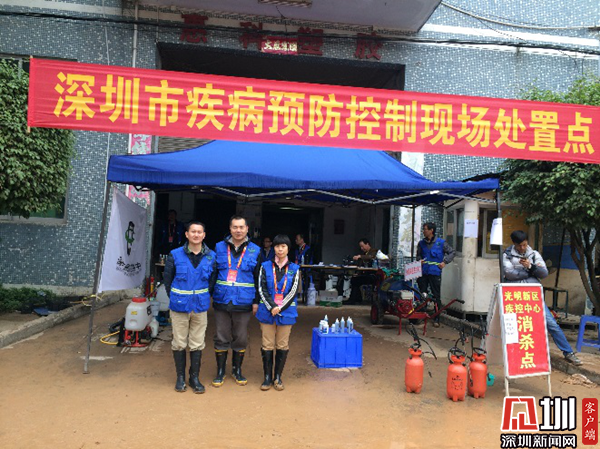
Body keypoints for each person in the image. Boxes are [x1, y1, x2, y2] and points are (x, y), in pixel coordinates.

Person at [502, 230, 583, 366]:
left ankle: (568, 352)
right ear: (514, 244)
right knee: (514, 326)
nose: (522, 247)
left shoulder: (534, 254)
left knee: (551, 323)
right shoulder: (507, 255)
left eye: (524, 244)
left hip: (533, 296)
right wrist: (531, 272)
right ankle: (514, 356)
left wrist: (530, 266)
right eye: (519, 245)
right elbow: (509, 274)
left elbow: (544, 273)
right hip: (514, 296)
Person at [163, 221, 217, 394]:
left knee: (197, 343)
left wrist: (202, 296)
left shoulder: (211, 256)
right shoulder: (175, 254)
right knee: (179, 342)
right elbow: (167, 280)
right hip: (179, 306)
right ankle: (180, 378)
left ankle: (194, 378)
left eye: (199, 232)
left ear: (204, 235)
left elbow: (212, 282)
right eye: (193, 231)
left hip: (200, 307)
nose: (196, 234)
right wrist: (177, 298)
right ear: (186, 234)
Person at [211, 215, 262, 387]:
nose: (238, 230)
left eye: (241, 227)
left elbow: (259, 278)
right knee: (221, 335)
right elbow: (213, 273)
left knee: (240, 337)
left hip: (244, 301)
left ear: (247, 229)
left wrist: (256, 301)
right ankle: (220, 372)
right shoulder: (218, 247)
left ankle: (236, 370)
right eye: (235, 227)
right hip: (222, 299)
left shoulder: (256, 250)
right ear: (230, 229)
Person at [256, 234, 300, 391]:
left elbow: (293, 291)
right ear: (273, 248)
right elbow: (261, 288)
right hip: (267, 311)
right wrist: (272, 306)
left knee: (282, 344)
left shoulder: (295, 269)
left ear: (288, 249)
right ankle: (267, 377)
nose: (280, 249)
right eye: (277, 246)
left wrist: (280, 308)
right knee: (267, 344)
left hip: (286, 312)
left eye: (283, 246)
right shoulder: (265, 266)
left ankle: (278, 377)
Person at [416, 222, 455, 327]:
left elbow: (452, 252)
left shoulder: (441, 243)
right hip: (423, 272)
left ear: (431, 230)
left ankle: (437, 318)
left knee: (436, 295)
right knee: (422, 294)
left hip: (435, 272)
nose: (423, 231)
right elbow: (418, 256)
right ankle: (421, 315)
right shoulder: (421, 243)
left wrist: (445, 262)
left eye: (425, 229)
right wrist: (419, 260)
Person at [347, 238, 379, 304]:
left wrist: (360, 256)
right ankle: (356, 298)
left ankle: (354, 299)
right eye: (360, 247)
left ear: (367, 244)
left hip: (373, 275)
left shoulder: (374, 251)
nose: (362, 248)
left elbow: (371, 257)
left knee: (355, 281)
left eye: (362, 246)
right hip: (365, 274)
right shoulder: (364, 253)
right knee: (354, 279)